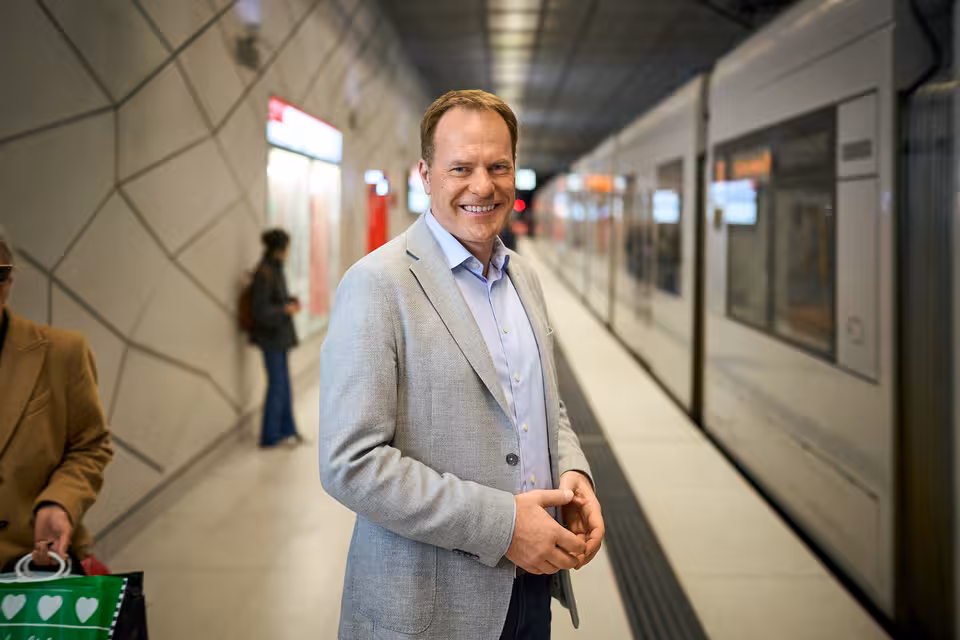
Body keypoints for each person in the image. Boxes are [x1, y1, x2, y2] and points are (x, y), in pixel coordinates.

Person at [318, 90, 605, 640]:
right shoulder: (377, 286)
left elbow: (542, 400)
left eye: (498, 166)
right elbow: (350, 463)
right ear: (426, 175)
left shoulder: (524, 278)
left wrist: (572, 474)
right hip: (431, 611)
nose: (482, 185)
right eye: (461, 168)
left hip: (530, 589)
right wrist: (502, 527)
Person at [0, 228, 113, 572]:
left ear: (6, 282)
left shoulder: (60, 353)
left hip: (33, 568)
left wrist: (59, 502)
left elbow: (89, 445)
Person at [250, 228, 304, 449]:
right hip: (271, 339)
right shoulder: (264, 272)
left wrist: (288, 302)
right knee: (277, 386)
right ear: (279, 249)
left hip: (279, 338)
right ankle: (269, 437)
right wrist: (285, 309)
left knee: (283, 385)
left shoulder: (274, 269)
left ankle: (287, 431)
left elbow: (275, 299)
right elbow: (260, 310)